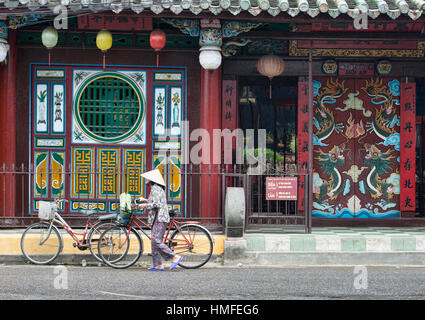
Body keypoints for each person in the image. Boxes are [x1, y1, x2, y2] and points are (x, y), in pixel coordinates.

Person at [138, 169, 182, 271]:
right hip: (157, 217)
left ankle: (174, 256)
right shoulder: (156, 188)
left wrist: (145, 205)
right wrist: (146, 200)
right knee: (154, 241)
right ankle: (158, 264)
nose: (146, 179)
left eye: (147, 178)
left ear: (152, 179)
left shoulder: (155, 189)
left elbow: (157, 204)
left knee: (155, 240)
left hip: (160, 217)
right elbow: (156, 201)